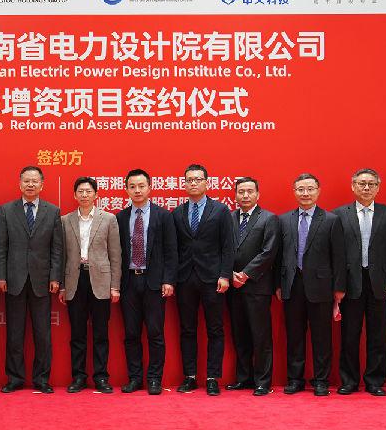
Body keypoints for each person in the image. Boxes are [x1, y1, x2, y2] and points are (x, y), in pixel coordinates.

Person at [333, 168, 386, 396]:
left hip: (379, 282)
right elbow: (335, 254)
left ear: (378, 188)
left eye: (371, 184)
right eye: (361, 184)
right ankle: (349, 380)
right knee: (349, 335)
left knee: (377, 335)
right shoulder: (339, 214)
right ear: (353, 187)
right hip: (350, 282)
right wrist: (338, 285)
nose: (366, 188)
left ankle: (375, 381)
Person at [276, 173, 346, 396]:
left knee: (321, 336)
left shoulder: (331, 220)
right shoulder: (283, 220)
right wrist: (278, 284)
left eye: (310, 189)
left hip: (322, 286)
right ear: (294, 191)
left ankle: (321, 380)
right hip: (292, 285)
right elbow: (278, 256)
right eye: (300, 189)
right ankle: (295, 379)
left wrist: (339, 288)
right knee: (294, 335)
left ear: (318, 191)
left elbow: (339, 257)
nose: (305, 193)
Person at [0, 166, 63, 394]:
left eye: (35, 181)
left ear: (42, 185)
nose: (30, 185)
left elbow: (57, 249)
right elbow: (1, 247)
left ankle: (41, 379)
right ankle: (14, 378)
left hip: (42, 280)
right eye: (26, 181)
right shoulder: (7, 210)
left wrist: (55, 277)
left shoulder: (52, 211)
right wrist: (1, 276)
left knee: (42, 334)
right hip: (14, 279)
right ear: (20, 184)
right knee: (14, 334)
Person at [172, 164, 234, 396]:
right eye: (189, 180)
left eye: (198, 179)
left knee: (215, 329)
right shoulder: (177, 212)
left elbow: (228, 246)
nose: (193, 183)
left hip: (213, 279)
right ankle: (189, 376)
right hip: (185, 278)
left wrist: (225, 275)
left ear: (207, 183)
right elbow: (174, 249)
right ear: (184, 184)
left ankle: (212, 377)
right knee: (187, 329)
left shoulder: (220, 210)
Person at [116, 169, 177, 395]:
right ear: (126, 189)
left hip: (155, 283)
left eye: (141, 186)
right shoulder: (120, 217)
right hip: (129, 282)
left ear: (150, 187)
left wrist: (169, 280)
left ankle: (154, 379)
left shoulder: (164, 216)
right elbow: (116, 253)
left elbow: (171, 251)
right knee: (131, 334)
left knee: (155, 333)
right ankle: (134, 378)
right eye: (132, 186)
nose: (137, 190)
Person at [58, 177, 121, 394]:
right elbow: (62, 256)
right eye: (80, 192)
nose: (84, 195)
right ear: (74, 195)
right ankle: (78, 377)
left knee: (101, 333)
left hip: (101, 281)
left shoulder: (109, 219)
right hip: (74, 280)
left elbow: (115, 255)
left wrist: (115, 286)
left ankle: (101, 377)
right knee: (77, 334)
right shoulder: (65, 220)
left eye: (88, 191)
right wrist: (63, 286)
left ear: (96, 195)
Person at [226, 177, 280, 396]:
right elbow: (222, 249)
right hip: (233, 285)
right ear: (235, 195)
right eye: (241, 192)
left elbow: (269, 252)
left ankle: (262, 382)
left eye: (249, 191)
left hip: (257, 286)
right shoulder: (229, 218)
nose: (245, 195)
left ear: (258, 194)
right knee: (240, 335)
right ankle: (243, 378)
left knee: (261, 336)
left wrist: (246, 274)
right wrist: (229, 273)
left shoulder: (268, 219)